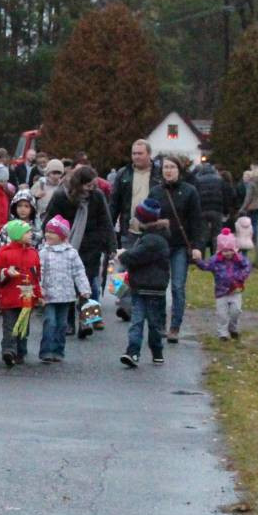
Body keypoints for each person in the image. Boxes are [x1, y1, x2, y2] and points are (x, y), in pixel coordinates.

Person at [42, 166, 115, 330]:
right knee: (68, 283)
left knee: (89, 283)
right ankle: (69, 321)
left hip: (92, 244)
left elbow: (106, 220)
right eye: (88, 185)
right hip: (66, 243)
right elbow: (50, 218)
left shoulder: (97, 196)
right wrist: (50, 238)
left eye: (93, 185)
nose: (91, 189)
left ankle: (89, 318)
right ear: (79, 184)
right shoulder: (62, 196)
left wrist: (111, 244)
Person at [148, 155, 204, 344]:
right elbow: (148, 218)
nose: (168, 171)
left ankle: (175, 326)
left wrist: (197, 246)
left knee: (178, 286)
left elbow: (197, 221)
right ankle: (161, 323)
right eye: (165, 167)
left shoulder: (190, 192)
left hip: (180, 245)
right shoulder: (155, 192)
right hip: (160, 245)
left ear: (179, 170)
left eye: (172, 167)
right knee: (160, 286)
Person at [109, 140, 161, 322]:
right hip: (128, 229)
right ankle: (125, 304)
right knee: (122, 268)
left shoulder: (159, 175)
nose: (136, 157)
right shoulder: (124, 174)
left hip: (152, 230)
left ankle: (147, 305)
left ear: (149, 154)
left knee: (147, 269)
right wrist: (110, 229)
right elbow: (114, 203)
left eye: (140, 153)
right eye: (134, 153)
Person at [117, 199, 170, 368]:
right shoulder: (154, 238)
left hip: (148, 287)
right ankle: (147, 352)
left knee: (141, 322)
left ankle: (138, 351)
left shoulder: (151, 241)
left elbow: (136, 257)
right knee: (149, 322)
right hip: (145, 287)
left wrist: (123, 255)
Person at [38, 215, 91, 363]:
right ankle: (46, 351)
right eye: (47, 231)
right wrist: (39, 289)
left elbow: (79, 272)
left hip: (66, 296)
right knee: (50, 322)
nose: (48, 234)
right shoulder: (44, 252)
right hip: (49, 295)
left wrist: (84, 289)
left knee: (62, 324)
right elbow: (39, 271)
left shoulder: (71, 253)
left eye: (52, 232)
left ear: (62, 236)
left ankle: (58, 350)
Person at [0, 219, 42, 367]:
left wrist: (38, 295)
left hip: (27, 296)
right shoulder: (4, 253)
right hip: (9, 295)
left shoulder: (33, 253)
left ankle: (20, 351)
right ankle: (9, 350)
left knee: (24, 325)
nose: (30, 234)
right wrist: (7, 272)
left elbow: (36, 276)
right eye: (27, 232)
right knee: (9, 325)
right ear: (17, 234)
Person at [192, 228, 252, 341]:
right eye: (224, 251)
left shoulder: (239, 259)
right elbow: (205, 266)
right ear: (220, 250)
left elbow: (248, 267)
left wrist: (240, 276)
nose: (227, 253)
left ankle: (232, 328)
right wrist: (198, 260)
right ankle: (222, 333)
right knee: (222, 314)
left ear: (234, 249)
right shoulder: (215, 261)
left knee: (236, 311)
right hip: (221, 292)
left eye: (230, 250)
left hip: (235, 290)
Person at [193, 161, 228, 256]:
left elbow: (195, 195)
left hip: (202, 209)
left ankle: (201, 255)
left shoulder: (198, 180)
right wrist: (225, 210)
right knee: (216, 234)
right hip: (217, 209)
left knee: (203, 234)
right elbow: (225, 195)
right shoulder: (219, 179)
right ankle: (216, 255)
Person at [31, 157, 65, 223]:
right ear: (48, 173)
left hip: (54, 221)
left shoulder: (62, 187)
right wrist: (36, 197)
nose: (56, 176)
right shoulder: (40, 184)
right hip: (37, 219)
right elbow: (28, 201)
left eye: (59, 173)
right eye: (54, 173)